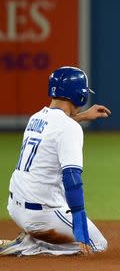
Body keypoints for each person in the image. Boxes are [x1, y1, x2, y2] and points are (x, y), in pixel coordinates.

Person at [0, 66, 110, 256]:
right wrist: (79, 220)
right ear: (79, 95)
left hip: (15, 209)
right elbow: (72, 178)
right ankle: (30, 246)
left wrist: (82, 116)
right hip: (41, 215)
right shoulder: (70, 129)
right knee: (98, 245)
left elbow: (57, 127)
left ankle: (33, 237)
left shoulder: (36, 117)